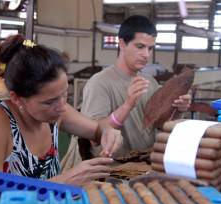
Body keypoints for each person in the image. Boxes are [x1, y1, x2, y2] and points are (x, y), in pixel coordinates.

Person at [0, 35, 123, 204]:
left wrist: (108, 133)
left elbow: (98, 130)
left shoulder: (55, 113)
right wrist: (64, 182)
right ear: (17, 98)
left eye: (65, 94)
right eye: (49, 101)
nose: (61, 106)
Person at [81, 15, 191, 157]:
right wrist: (127, 105)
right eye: (140, 47)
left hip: (144, 164)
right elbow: (93, 135)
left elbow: (158, 124)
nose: (146, 54)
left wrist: (178, 109)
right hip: (113, 171)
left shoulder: (150, 81)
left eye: (150, 48)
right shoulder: (100, 83)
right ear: (122, 44)